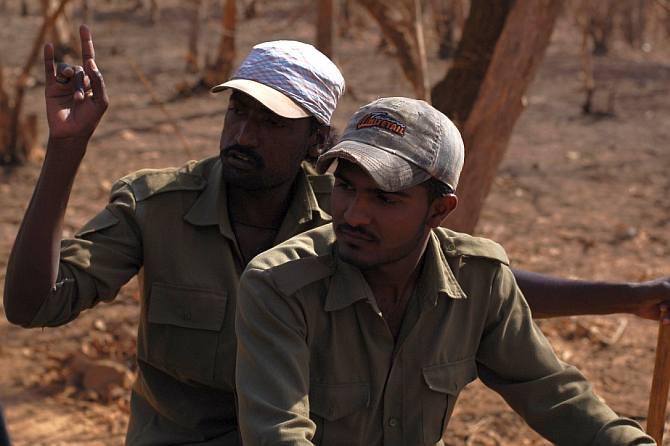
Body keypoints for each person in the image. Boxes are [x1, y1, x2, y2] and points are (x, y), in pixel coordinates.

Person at [2, 23, 668, 445]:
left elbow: (471, 289)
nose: (242, 134)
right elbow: (34, 304)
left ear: (317, 139)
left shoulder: (347, 209)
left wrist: (627, 294)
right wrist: (67, 150)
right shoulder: (158, 206)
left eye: (270, 121)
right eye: (237, 112)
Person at [235, 97, 656, 445]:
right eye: (346, 187)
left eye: (385, 199)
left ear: (439, 210)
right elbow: (278, 436)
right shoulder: (279, 285)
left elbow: (552, 394)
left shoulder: (480, 279)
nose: (355, 215)